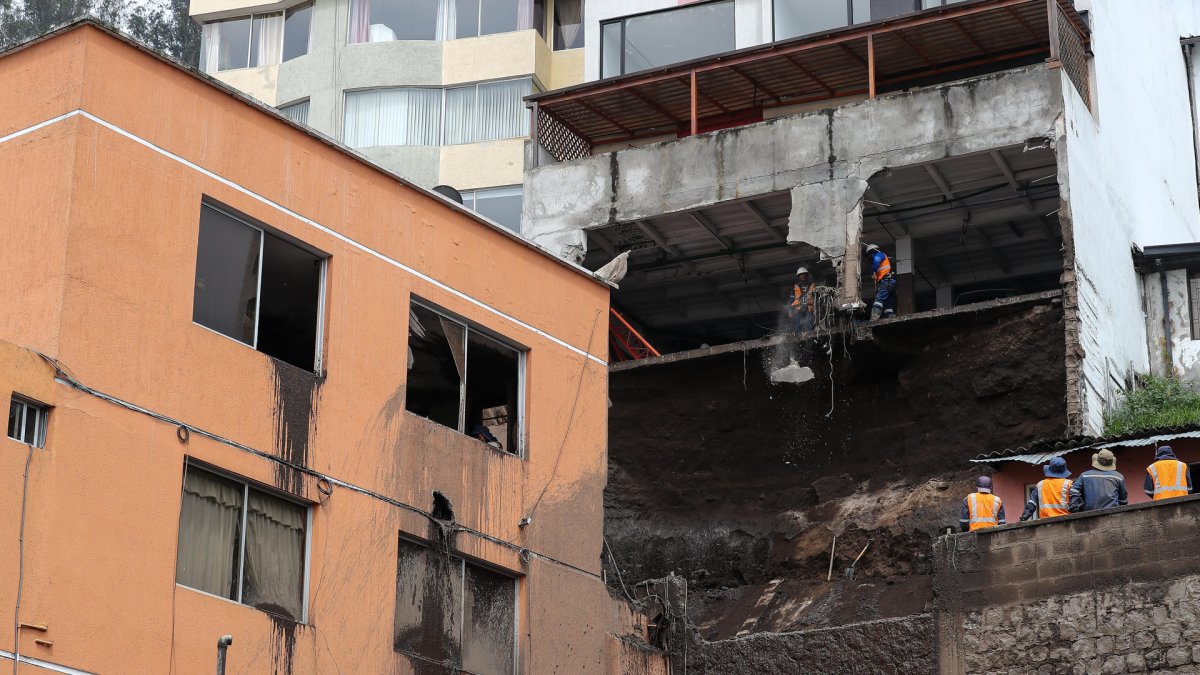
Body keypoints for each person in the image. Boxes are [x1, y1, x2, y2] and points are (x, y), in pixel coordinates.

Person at [1020, 457, 1073, 521]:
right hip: (1066, 521)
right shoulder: (1068, 484)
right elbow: (1075, 504)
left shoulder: (1040, 485)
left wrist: (1024, 518)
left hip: (1046, 523)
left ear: (1050, 469)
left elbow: (1032, 504)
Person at [863, 243, 896, 320]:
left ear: (872, 252)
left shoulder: (879, 254)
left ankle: (874, 319)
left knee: (879, 300)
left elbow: (876, 261)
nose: (869, 258)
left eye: (869, 256)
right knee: (888, 302)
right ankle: (890, 318)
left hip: (886, 281)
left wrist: (874, 271)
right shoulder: (883, 258)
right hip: (891, 282)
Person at [787, 267, 817, 332]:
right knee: (797, 323)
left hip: (809, 308)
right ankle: (798, 337)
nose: (803, 276)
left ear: (807, 275)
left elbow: (817, 297)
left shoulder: (812, 285)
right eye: (801, 274)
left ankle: (811, 336)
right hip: (799, 309)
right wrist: (790, 310)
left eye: (804, 274)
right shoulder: (795, 287)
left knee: (810, 321)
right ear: (799, 276)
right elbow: (791, 300)